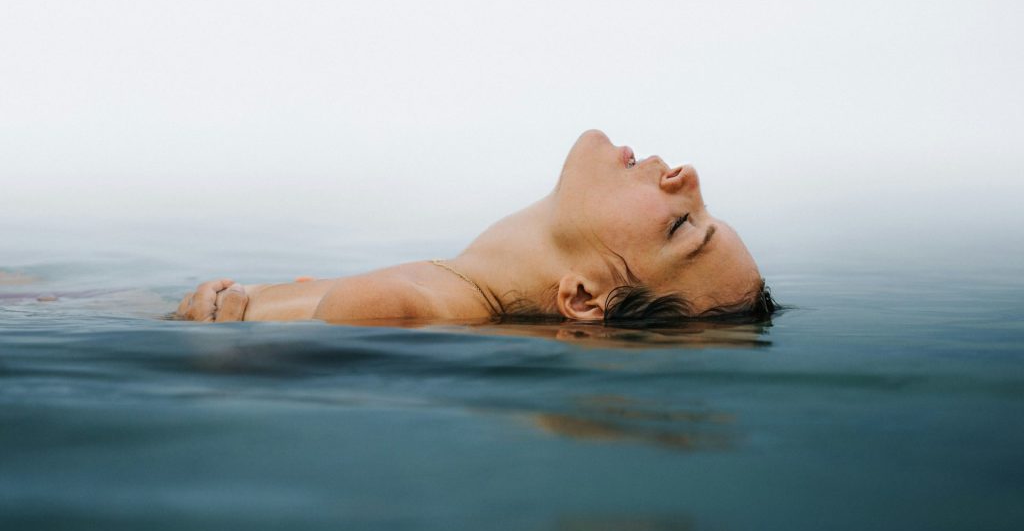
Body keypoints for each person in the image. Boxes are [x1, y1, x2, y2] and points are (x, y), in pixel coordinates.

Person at [175, 130, 776, 326]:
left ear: (584, 297)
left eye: (682, 227)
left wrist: (209, 338)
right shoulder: (433, 293)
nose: (688, 178)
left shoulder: (393, 307)